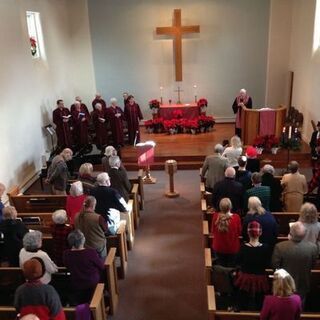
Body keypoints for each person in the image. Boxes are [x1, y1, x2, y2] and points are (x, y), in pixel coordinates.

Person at [272, 221, 318, 302]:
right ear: (304, 235)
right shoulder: (312, 248)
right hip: (303, 283)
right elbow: (313, 265)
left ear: (290, 233)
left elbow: (275, 266)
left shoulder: (280, 247)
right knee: (299, 306)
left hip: (284, 283)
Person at [234, 221, 270, 311]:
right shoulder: (265, 247)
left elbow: (237, 261)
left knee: (242, 299)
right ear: (260, 233)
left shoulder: (243, 247)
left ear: (248, 233)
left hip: (245, 278)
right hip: (260, 278)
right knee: (260, 300)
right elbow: (267, 263)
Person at [63, 230, 105, 304]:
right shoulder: (90, 252)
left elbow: (67, 266)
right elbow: (101, 266)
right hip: (92, 283)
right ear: (83, 240)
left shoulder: (66, 254)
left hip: (76, 283)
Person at [210, 198, 241, 267]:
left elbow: (212, 231)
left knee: (221, 268)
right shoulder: (236, 217)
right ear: (230, 207)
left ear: (220, 207)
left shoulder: (215, 216)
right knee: (231, 268)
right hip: (233, 248)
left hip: (218, 247)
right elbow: (239, 232)